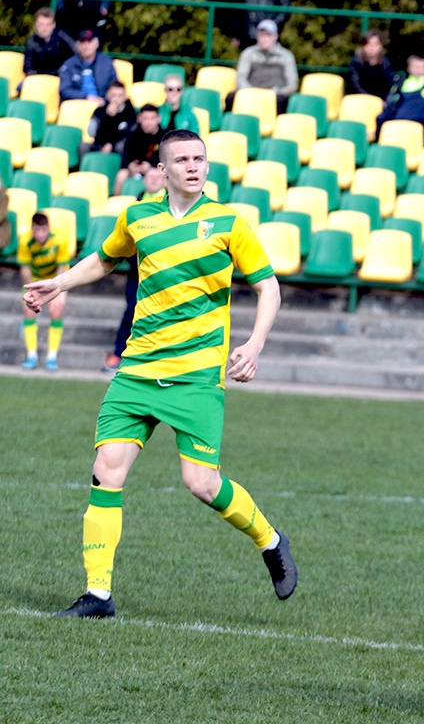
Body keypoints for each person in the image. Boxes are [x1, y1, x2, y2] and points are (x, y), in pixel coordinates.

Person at [24, 128, 296, 619]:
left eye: (200, 159)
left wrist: (254, 344)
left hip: (196, 376)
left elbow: (269, 287)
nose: (193, 166)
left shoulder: (228, 222)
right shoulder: (137, 217)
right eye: (182, 160)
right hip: (136, 371)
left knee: (202, 484)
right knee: (106, 471)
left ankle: (270, 540)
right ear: (162, 170)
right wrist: (58, 284)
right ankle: (98, 595)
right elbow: (104, 260)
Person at [104, 165, 166, 375]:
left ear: (164, 180)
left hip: (163, 273)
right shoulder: (135, 206)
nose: (154, 180)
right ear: (144, 180)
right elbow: (128, 239)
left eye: (157, 176)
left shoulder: (171, 205)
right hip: (137, 272)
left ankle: (156, 360)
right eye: (150, 176)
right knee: (132, 310)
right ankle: (119, 354)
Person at [18, 212, 72, 371]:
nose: (40, 234)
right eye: (37, 230)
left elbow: (62, 268)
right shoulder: (25, 241)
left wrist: (58, 291)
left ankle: (52, 357)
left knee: (56, 309)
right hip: (35, 280)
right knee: (29, 310)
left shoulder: (60, 239)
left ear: (48, 228)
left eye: (43, 230)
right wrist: (32, 290)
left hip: (56, 280)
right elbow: (25, 269)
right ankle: (31, 356)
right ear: (32, 229)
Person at [228, 20, 297, 114]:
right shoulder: (248, 53)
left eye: (268, 35)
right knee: (231, 98)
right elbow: (241, 78)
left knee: (282, 101)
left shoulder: (286, 56)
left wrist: (278, 92)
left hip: (276, 95)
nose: (264, 39)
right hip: (251, 92)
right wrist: (250, 91)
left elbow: (292, 84)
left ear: (275, 37)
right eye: (262, 35)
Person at [114, 104, 163, 196]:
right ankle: (117, 201)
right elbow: (125, 158)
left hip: (155, 171)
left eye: (152, 118)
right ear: (139, 118)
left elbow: (166, 162)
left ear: (158, 119)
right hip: (135, 171)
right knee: (121, 174)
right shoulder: (133, 135)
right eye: (145, 118)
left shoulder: (165, 138)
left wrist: (151, 167)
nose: (149, 122)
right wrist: (131, 165)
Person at [58, 28, 116, 105]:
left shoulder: (107, 63)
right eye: (82, 42)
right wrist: (86, 97)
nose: (85, 46)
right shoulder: (69, 65)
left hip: (102, 104)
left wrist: (107, 100)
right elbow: (64, 90)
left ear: (97, 44)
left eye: (89, 42)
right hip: (77, 104)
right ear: (77, 46)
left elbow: (115, 86)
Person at [24, 7, 76, 77]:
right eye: (41, 24)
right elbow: (28, 69)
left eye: (48, 25)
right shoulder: (31, 43)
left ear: (53, 25)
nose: (44, 28)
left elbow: (77, 51)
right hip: (40, 78)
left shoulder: (62, 36)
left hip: (63, 76)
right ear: (35, 24)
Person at [86, 80, 134, 155]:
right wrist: (107, 116)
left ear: (125, 97)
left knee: (122, 146)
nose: (116, 99)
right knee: (83, 147)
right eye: (113, 95)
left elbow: (129, 135)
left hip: (118, 145)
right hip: (100, 144)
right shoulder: (100, 111)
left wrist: (112, 144)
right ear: (107, 95)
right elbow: (92, 132)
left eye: (120, 96)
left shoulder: (130, 112)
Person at [349, 30, 395, 99]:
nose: (371, 47)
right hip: (360, 98)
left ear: (381, 46)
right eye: (368, 44)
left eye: (375, 44)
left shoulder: (386, 63)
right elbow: (355, 84)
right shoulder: (356, 61)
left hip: (381, 100)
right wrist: (370, 98)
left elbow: (389, 85)